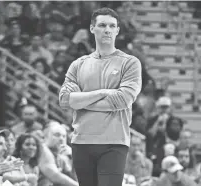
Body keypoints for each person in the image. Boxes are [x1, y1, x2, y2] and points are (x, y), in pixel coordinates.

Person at [59, 7, 142, 186]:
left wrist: (80, 101)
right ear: (92, 28)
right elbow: (65, 100)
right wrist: (103, 93)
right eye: (102, 25)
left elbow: (122, 100)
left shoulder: (130, 63)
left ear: (118, 30)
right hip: (81, 141)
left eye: (112, 26)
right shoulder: (78, 64)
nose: (107, 30)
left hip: (114, 143)